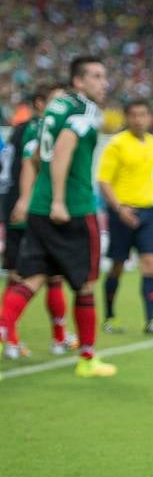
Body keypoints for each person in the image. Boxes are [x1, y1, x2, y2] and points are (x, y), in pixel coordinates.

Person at [0, 56, 117, 379]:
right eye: (95, 76)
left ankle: (2, 328)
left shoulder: (54, 108)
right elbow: (64, 148)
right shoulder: (84, 109)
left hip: (39, 206)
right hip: (73, 208)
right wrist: (61, 200)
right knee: (86, 285)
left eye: (104, 76)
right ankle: (88, 358)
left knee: (32, 277)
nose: (103, 82)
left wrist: (33, 197)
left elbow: (37, 156)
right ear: (77, 81)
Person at [0, 82, 78, 359]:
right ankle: (9, 334)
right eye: (57, 102)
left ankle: (49, 337)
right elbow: (29, 167)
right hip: (32, 212)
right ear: (40, 104)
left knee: (47, 276)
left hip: (25, 210)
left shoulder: (24, 131)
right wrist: (24, 200)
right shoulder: (39, 129)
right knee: (29, 277)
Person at [97, 99, 153, 334]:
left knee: (150, 264)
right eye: (133, 115)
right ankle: (110, 317)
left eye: (143, 114)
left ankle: (151, 320)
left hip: (148, 213)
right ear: (126, 117)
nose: (138, 119)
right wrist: (119, 209)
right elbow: (103, 180)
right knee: (117, 266)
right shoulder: (116, 144)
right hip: (123, 212)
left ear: (150, 117)